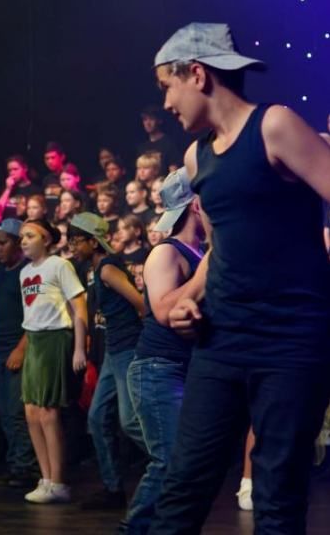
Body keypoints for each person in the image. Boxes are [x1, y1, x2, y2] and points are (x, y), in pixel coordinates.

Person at [151, 22, 330, 533]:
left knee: (276, 496)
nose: (166, 103)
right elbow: (225, 244)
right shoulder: (196, 157)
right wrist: (182, 299)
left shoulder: (275, 126)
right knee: (183, 485)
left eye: (167, 85)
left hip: (291, 342)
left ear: (198, 74)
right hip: (222, 340)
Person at [121, 168, 205, 534]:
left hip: (186, 368)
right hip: (158, 369)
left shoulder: (199, 254)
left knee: (187, 463)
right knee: (168, 460)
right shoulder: (165, 253)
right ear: (197, 205)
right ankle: (133, 529)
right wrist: (209, 271)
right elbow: (163, 310)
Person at [68, 213, 146, 510]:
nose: (74, 246)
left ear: (93, 241)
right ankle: (113, 489)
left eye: (77, 241)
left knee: (129, 422)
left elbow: (141, 304)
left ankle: (176, 467)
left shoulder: (108, 269)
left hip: (128, 349)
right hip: (114, 351)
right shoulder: (97, 268)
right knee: (97, 417)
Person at [18, 219, 88, 504]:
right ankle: (45, 477)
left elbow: (79, 305)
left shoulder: (59, 265)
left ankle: (59, 480)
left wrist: (79, 348)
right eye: (22, 236)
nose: (23, 240)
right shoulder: (24, 272)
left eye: (30, 235)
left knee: (48, 410)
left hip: (55, 339)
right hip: (34, 341)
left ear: (46, 239)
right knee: (31, 411)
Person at [0, 219, 39, 489]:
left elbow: (36, 314)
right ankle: (16, 464)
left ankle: (25, 468)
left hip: (19, 347)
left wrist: (20, 348)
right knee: (4, 412)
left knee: (17, 411)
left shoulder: (27, 272)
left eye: (3, 243)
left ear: (18, 243)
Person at [136, 106, 183, 172]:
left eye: (151, 119)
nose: (148, 123)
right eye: (145, 119)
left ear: (159, 121)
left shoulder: (169, 144)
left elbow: (174, 173)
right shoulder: (142, 147)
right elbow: (139, 172)